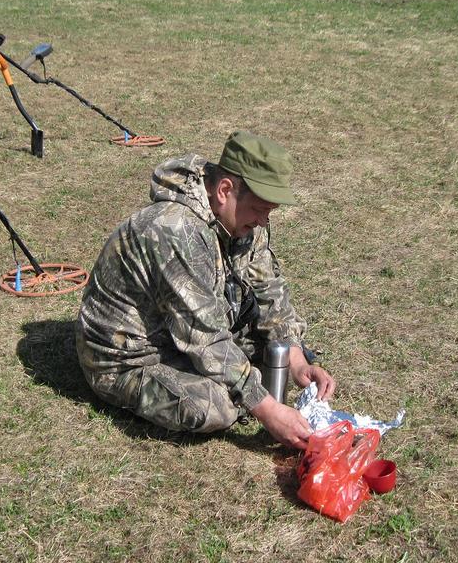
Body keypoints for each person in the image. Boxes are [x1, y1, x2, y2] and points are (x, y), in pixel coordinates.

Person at [76, 130, 336, 449]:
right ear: (225, 190)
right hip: (126, 358)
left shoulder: (240, 218)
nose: (263, 221)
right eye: (260, 209)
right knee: (216, 406)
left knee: (275, 355)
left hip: (179, 333)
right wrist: (268, 410)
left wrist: (296, 360)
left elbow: (269, 290)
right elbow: (206, 339)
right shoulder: (173, 231)